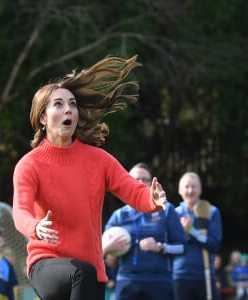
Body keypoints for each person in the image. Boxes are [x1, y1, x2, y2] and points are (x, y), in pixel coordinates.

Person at [12, 55, 168, 300]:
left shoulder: (99, 159)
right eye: (59, 104)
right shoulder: (29, 165)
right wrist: (35, 227)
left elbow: (133, 190)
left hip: (92, 271)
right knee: (80, 272)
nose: (68, 110)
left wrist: (152, 199)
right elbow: (20, 211)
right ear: (42, 118)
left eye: (72, 104)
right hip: (47, 264)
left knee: (87, 273)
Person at [102, 162, 186, 300]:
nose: (140, 183)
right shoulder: (119, 215)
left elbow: (182, 247)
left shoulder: (166, 209)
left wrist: (160, 247)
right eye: (135, 180)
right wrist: (108, 250)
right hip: (126, 281)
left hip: (159, 281)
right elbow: (101, 250)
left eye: (145, 179)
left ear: (151, 183)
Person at [173, 171, 223, 300]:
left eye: (194, 186)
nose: (190, 190)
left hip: (205, 274)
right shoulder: (173, 214)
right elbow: (170, 245)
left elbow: (214, 244)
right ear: (179, 190)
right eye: (186, 186)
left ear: (200, 189)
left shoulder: (211, 212)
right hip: (179, 275)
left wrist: (192, 232)